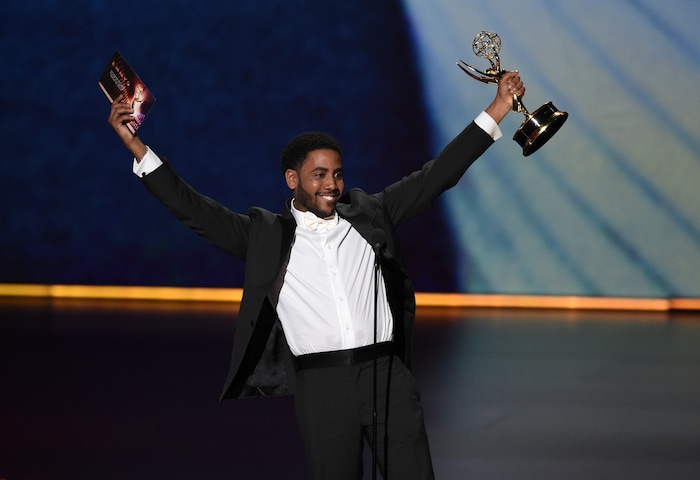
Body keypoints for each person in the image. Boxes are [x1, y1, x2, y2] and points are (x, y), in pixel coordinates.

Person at [108, 71, 525, 480]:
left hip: (386, 377)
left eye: (338, 174)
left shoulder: (370, 214)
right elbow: (192, 208)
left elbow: (438, 175)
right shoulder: (265, 236)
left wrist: (499, 108)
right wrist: (136, 146)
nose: (332, 184)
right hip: (322, 387)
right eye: (319, 175)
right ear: (293, 180)